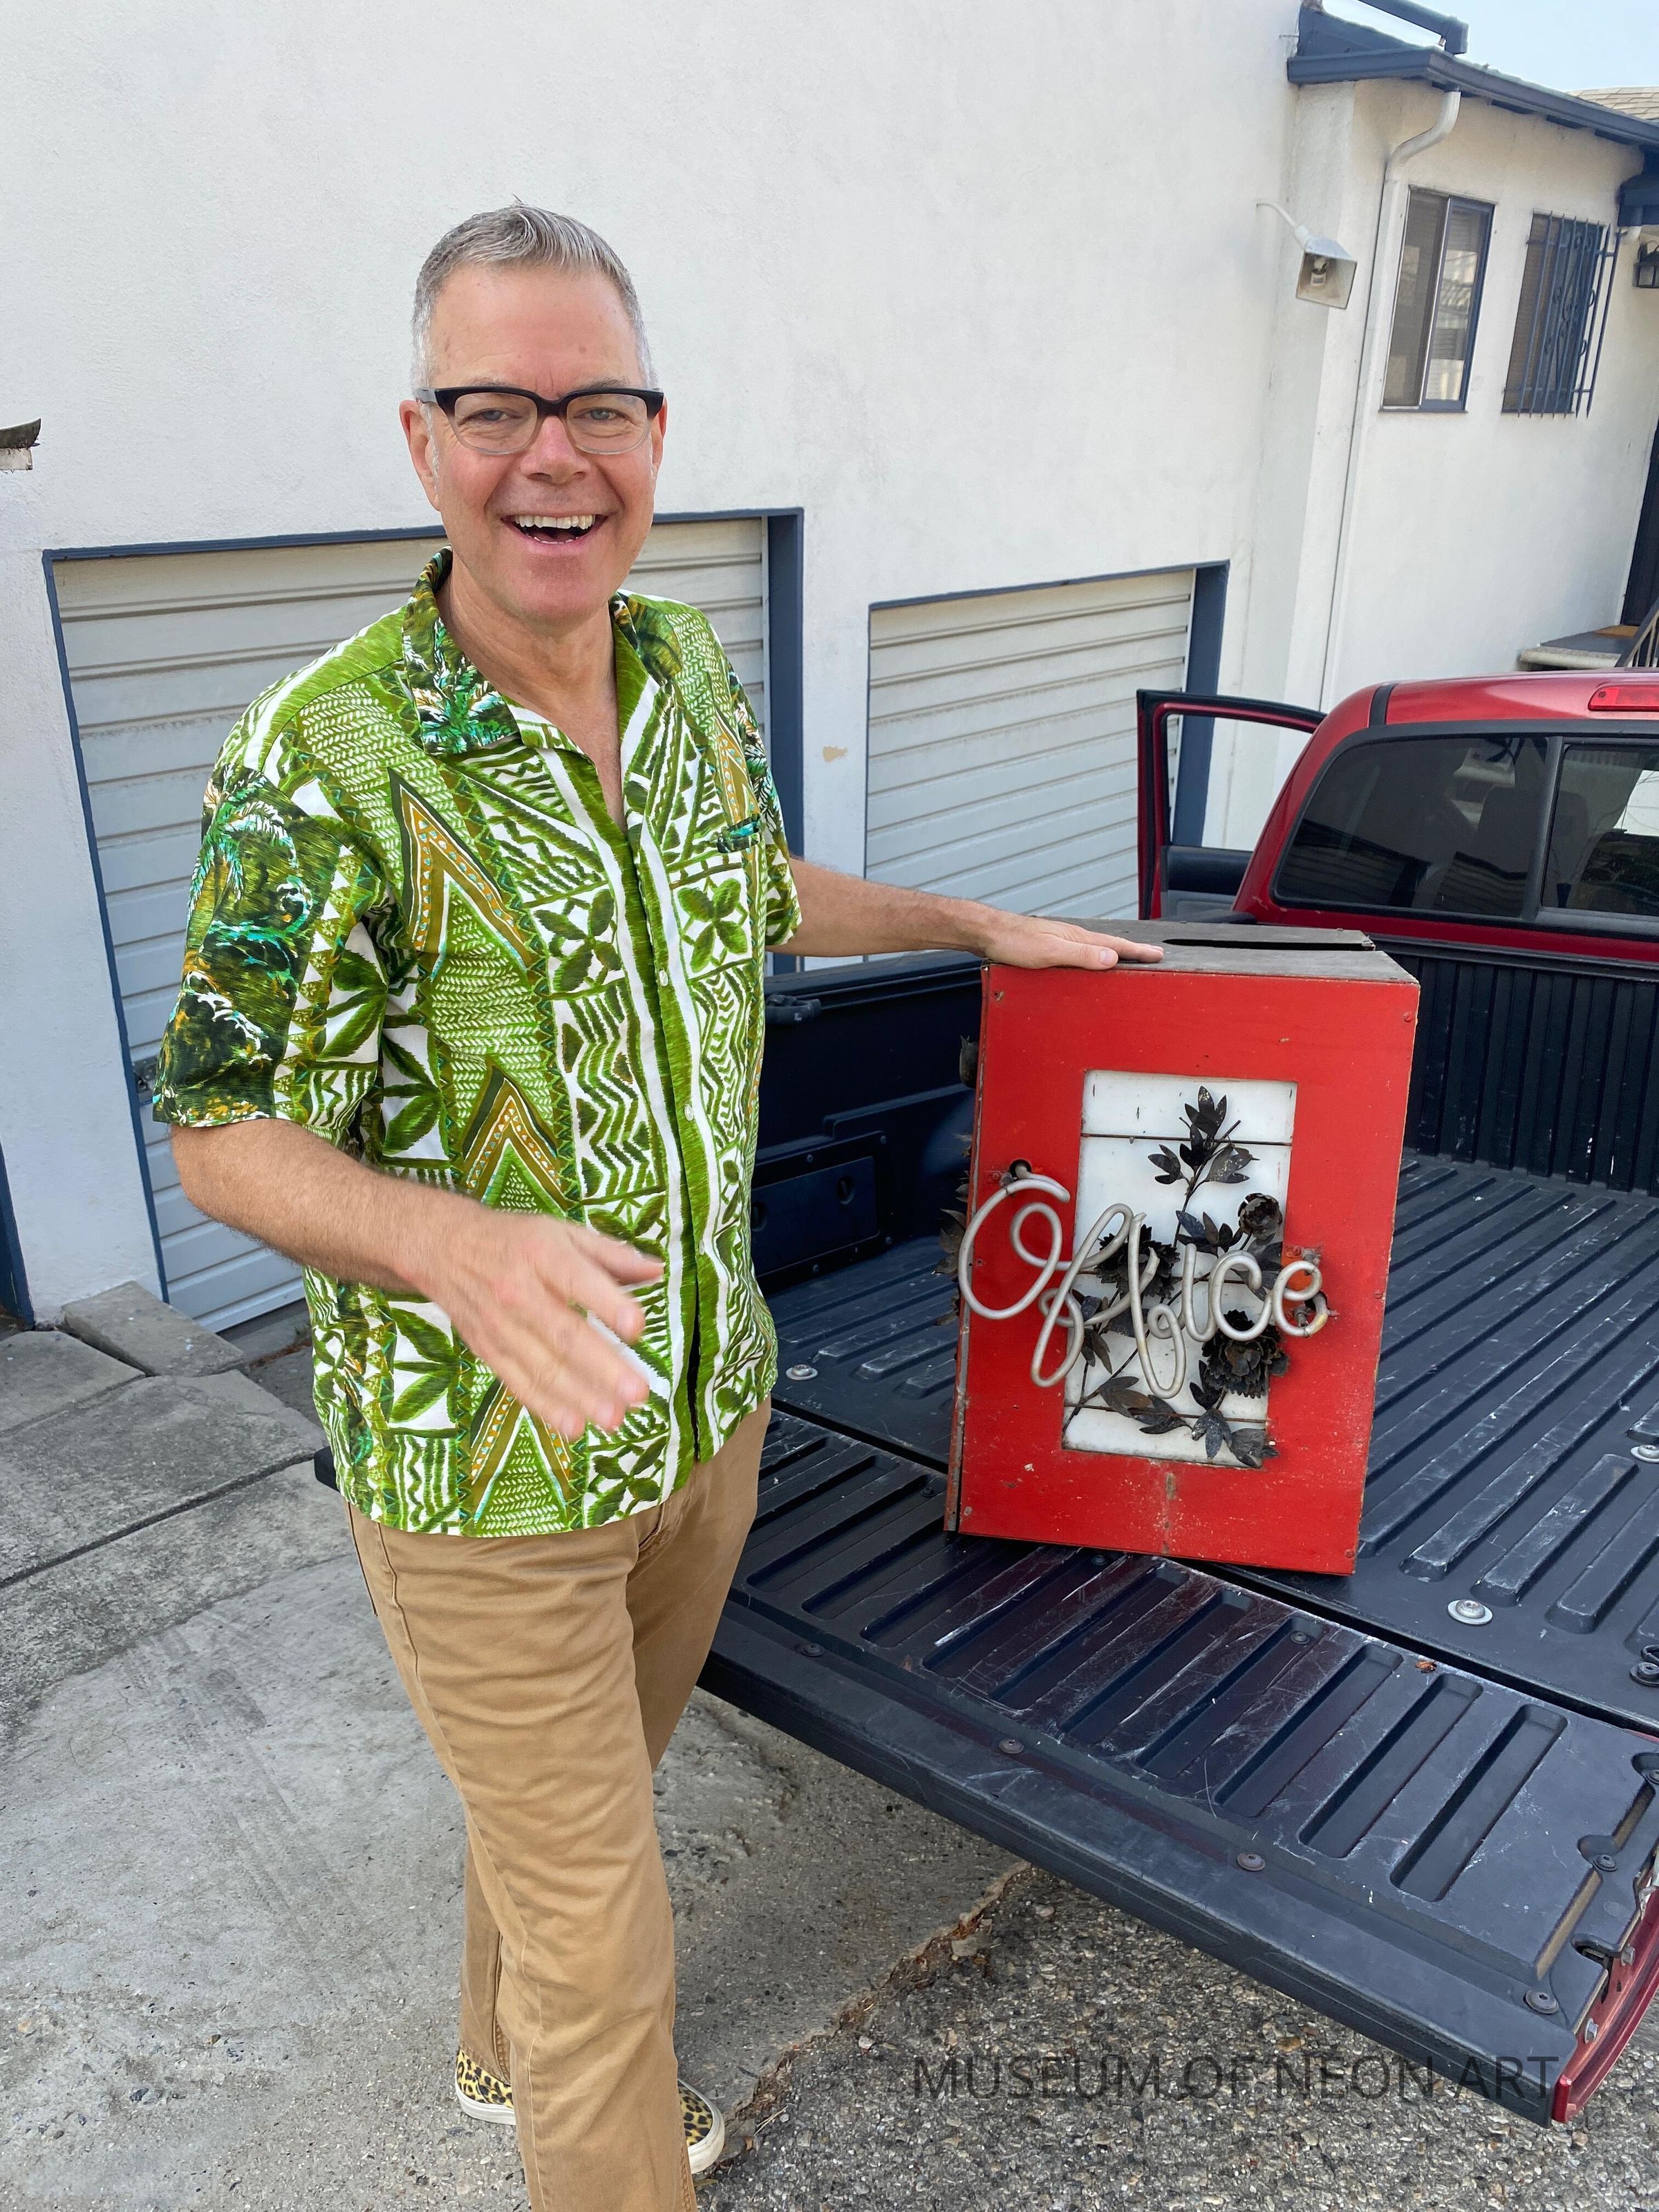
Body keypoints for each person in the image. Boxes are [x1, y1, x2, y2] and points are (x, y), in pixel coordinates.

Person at [156, 205, 1161, 2212]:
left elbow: (747, 887)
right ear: (423, 440)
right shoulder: (323, 757)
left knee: (577, 1817)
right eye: (496, 407)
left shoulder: (686, 666)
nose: (555, 455)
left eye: (597, 405)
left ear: (657, 432)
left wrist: (969, 924)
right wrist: (454, 1242)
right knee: (608, 1948)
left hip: (707, 1410)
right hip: (478, 1471)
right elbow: (218, 1122)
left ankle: (486, 2044)